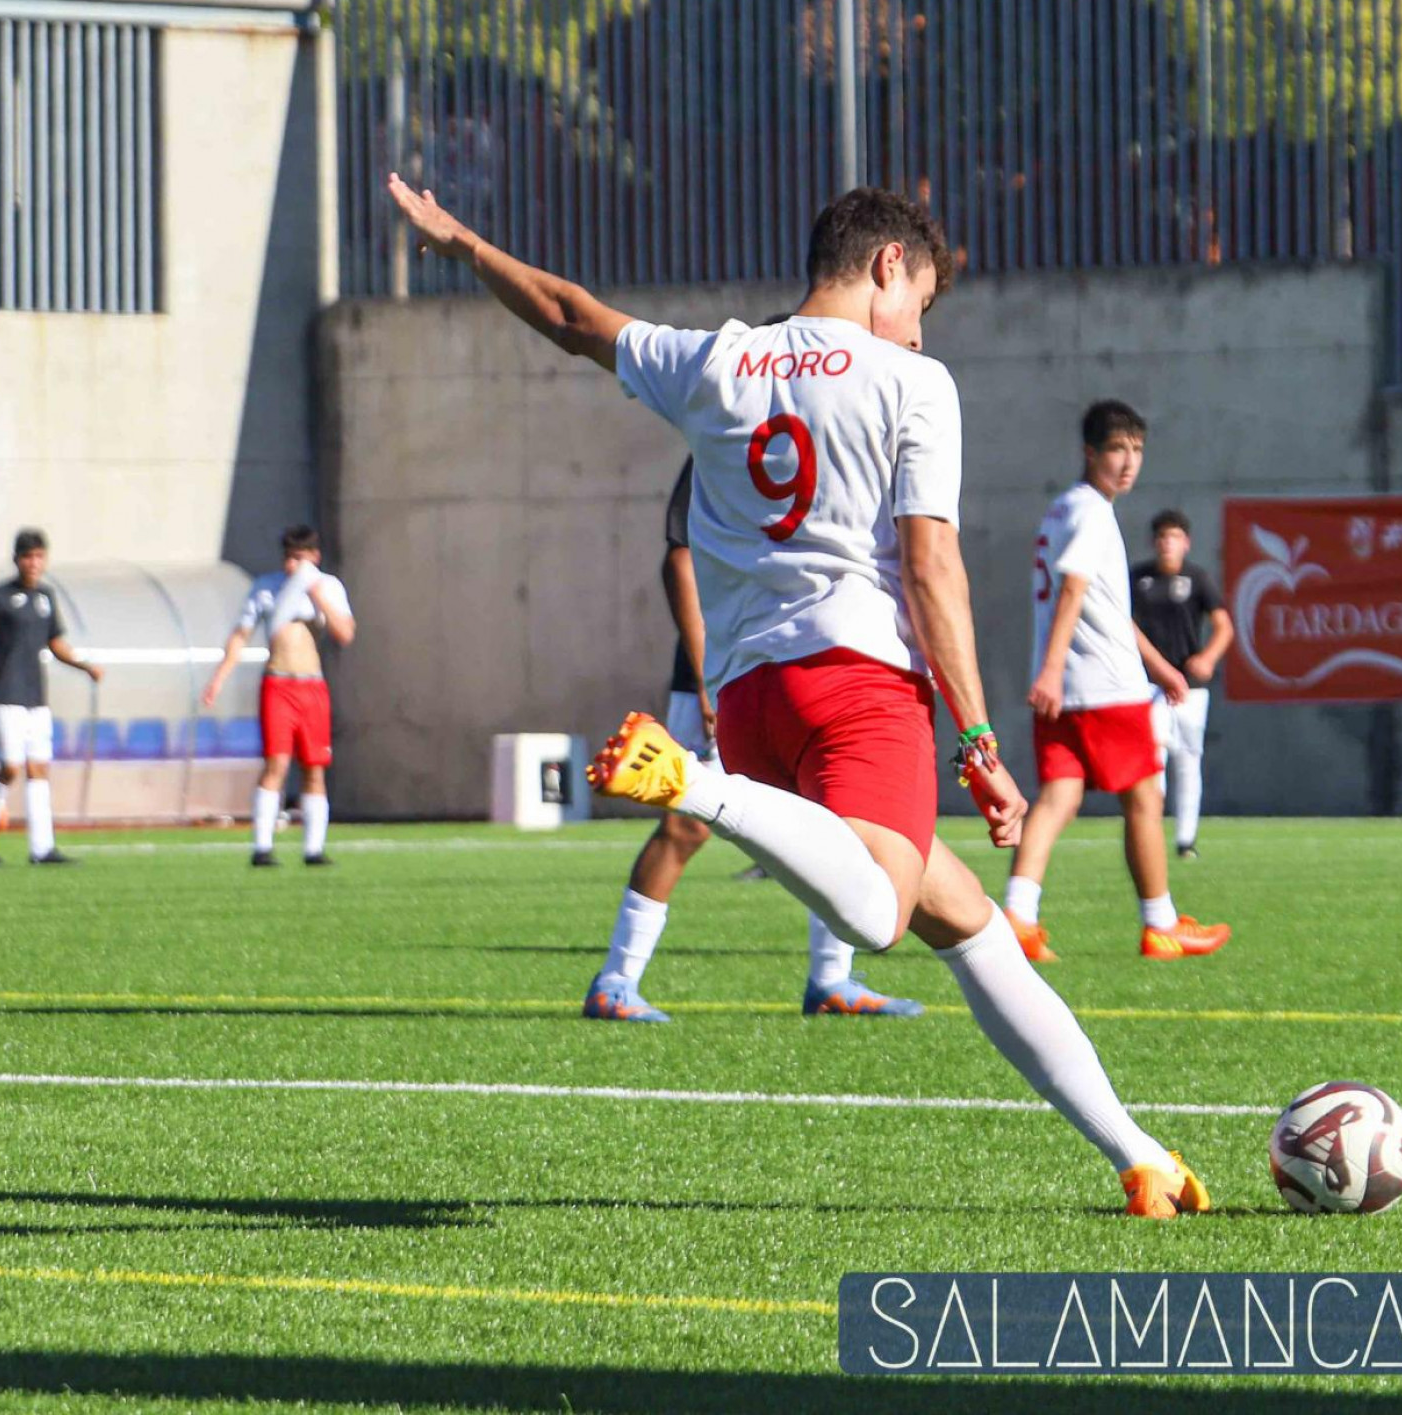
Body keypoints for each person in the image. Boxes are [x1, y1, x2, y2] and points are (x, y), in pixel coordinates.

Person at [388, 173, 1211, 1215]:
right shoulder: (915, 385)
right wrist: (975, 736)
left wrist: (463, 244)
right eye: (919, 303)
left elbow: (566, 315)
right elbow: (930, 569)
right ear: (883, 268)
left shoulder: (715, 358)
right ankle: (696, 783)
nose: (916, 332)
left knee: (967, 924)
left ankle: (1136, 1153)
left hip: (750, 699)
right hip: (854, 686)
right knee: (874, 914)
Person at [585, 459, 923, 1021]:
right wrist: (703, 677)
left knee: (834, 821)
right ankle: (616, 980)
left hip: (796, 664)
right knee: (686, 825)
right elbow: (681, 561)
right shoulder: (729, 430)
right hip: (729, 668)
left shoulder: (828, 422)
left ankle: (832, 979)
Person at [1002, 402, 1231, 964]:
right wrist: (1056, 667)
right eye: (1116, 449)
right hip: (1103, 688)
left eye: (1137, 450)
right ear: (1090, 452)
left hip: (1065, 688)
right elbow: (1074, 591)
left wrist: (1158, 664)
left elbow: (1106, 605)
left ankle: (1018, 918)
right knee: (1145, 798)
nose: (1128, 463)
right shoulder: (1093, 514)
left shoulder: (1060, 510)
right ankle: (1160, 924)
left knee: (1058, 797)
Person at [202, 526, 356, 867]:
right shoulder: (266, 588)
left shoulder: (328, 587)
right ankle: (262, 847)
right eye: (288, 558)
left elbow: (344, 633)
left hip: (312, 686)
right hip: (278, 684)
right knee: (277, 763)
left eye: (299, 558)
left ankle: (313, 849)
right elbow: (240, 635)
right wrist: (218, 678)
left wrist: (315, 592)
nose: (292, 566)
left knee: (314, 766)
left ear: (314, 557)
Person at [0, 529, 101, 865]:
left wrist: (84, 666)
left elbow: (56, 644)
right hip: (4, 696)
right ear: (16, 559)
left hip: (36, 699)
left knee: (38, 768)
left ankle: (42, 849)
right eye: (27, 556)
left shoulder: (46, 598)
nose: (33, 563)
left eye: (39, 557)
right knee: (10, 767)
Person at [1131, 508, 1234, 859]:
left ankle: (1186, 840)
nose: (1167, 543)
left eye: (1173, 537)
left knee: (1188, 759)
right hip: (1147, 684)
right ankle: (1152, 832)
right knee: (1153, 758)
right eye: (1161, 537)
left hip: (1188, 687)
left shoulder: (1198, 578)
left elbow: (1224, 626)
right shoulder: (1138, 579)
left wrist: (1207, 658)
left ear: (1185, 542)